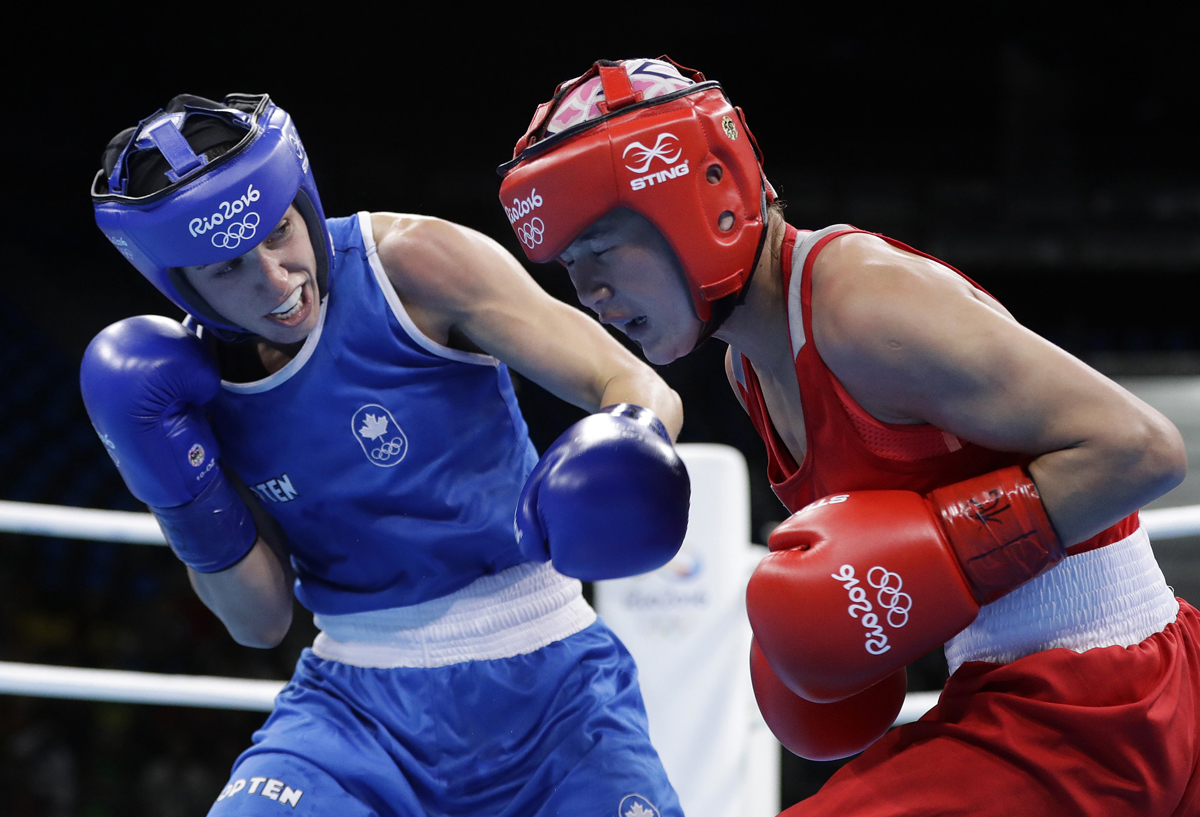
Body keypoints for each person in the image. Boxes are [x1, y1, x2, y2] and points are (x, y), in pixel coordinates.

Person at [497, 57, 1200, 815]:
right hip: (1023, 690)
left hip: (1105, 687)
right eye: (569, 264)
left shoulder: (860, 301)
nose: (590, 292)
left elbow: (1143, 448)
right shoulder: (748, 369)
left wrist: (946, 544)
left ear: (694, 203)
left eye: (601, 246)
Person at [82, 92, 691, 817]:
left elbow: (636, 385)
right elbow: (260, 620)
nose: (275, 279)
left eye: (279, 233)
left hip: (553, 688)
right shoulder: (189, 391)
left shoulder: (413, 266)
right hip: (356, 712)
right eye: (228, 268)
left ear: (301, 199)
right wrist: (176, 493)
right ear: (177, 281)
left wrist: (627, 443)